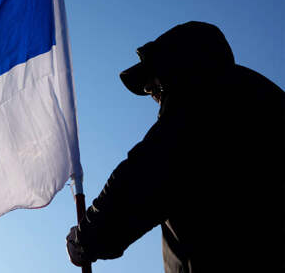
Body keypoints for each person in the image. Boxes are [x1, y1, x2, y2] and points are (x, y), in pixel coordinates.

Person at [66, 21, 284, 272]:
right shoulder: (263, 99)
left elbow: (146, 177)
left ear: (178, 71)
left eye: (155, 88)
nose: (155, 98)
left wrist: (86, 238)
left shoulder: (203, 107)